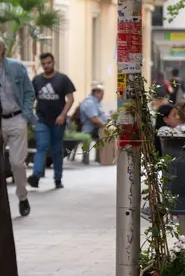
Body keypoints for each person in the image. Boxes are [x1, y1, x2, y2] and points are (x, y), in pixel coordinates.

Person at [28, 52, 75, 189]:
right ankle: (36, 176)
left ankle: (58, 179)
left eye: (48, 63)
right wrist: (30, 116)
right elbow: (32, 98)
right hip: (41, 120)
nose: (46, 66)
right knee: (41, 147)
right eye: (43, 64)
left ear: (53, 63)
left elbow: (70, 99)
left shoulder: (62, 79)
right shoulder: (36, 80)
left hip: (57, 121)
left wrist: (63, 115)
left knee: (56, 150)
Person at [0, 39, 36, 216]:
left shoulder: (16, 67)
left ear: (3, 51)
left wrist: (26, 115)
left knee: (17, 163)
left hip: (16, 118)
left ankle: (22, 197)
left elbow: (29, 92)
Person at [79, 85, 108, 164]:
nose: (103, 96)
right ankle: (98, 158)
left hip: (96, 128)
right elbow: (94, 119)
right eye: (102, 94)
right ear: (96, 93)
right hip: (89, 129)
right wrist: (105, 126)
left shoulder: (96, 102)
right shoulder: (90, 103)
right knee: (105, 135)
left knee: (104, 134)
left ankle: (100, 158)